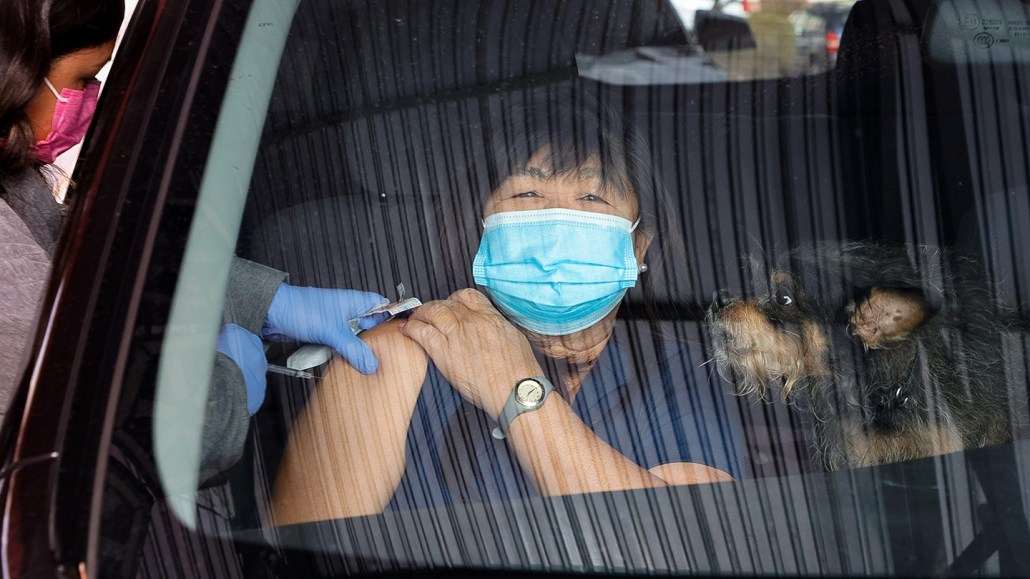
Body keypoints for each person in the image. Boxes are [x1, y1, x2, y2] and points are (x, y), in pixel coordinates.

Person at [270, 90, 744, 524]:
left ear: (640, 247)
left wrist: (512, 385)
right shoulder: (402, 351)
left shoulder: (686, 372)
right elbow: (305, 548)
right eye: (527, 194)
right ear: (481, 225)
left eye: (592, 197)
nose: (556, 223)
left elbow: (687, 543)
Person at [0, 0, 123, 420]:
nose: (89, 103)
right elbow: (81, 397)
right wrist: (225, 388)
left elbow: (84, 254)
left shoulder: (13, 174)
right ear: (18, 68)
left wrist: (263, 298)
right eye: (83, 79)